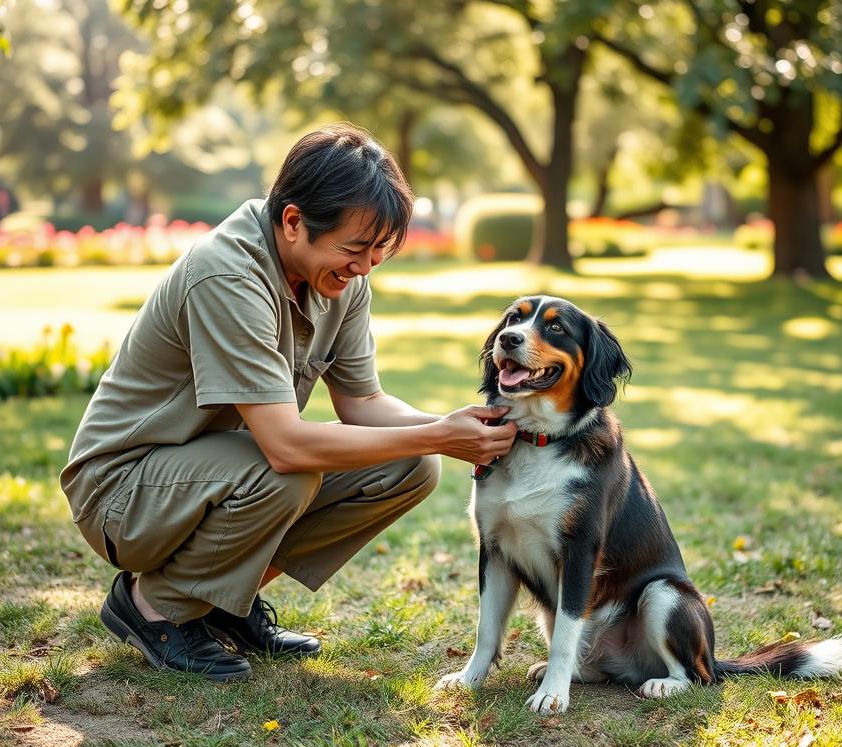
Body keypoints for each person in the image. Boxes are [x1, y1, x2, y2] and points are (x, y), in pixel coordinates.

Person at [60, 124, 517, 681]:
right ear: (294, 222)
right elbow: (286, 446)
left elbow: (364, 402)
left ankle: (226, 598)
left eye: (379, 251)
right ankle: (157, 607)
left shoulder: (337, 279)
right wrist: (439, 436)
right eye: (354, 248)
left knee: (408, 467)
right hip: (124, 491)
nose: (365, 267)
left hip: (214, 470)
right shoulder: (227, 272)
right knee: (290, 472)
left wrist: (456, 430)